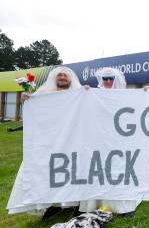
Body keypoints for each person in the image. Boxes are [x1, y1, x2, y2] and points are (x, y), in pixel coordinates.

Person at [7, 67, 83, 218]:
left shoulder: (79, 94)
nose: (62, 77)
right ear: (55, 78)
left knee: (73, 170)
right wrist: (26, 99)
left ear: (71, 79)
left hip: (73, 139)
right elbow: (34, 112)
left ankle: (74, 203)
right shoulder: (43, 95)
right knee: (47, 171)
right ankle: (53, 204)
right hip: (50, 140)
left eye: (65, 75)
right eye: (59, 75)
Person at [77, 67, 140, 217]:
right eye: (105, 79)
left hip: (118, 137)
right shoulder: (94, 94)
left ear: (115, 79)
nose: (108, 81)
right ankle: (96, 203)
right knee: (98, 168)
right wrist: (83, 93)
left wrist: (146, 93)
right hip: (99, 137)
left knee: (119, 168)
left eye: (111, 78)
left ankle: (123, 205)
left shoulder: (124, 95)